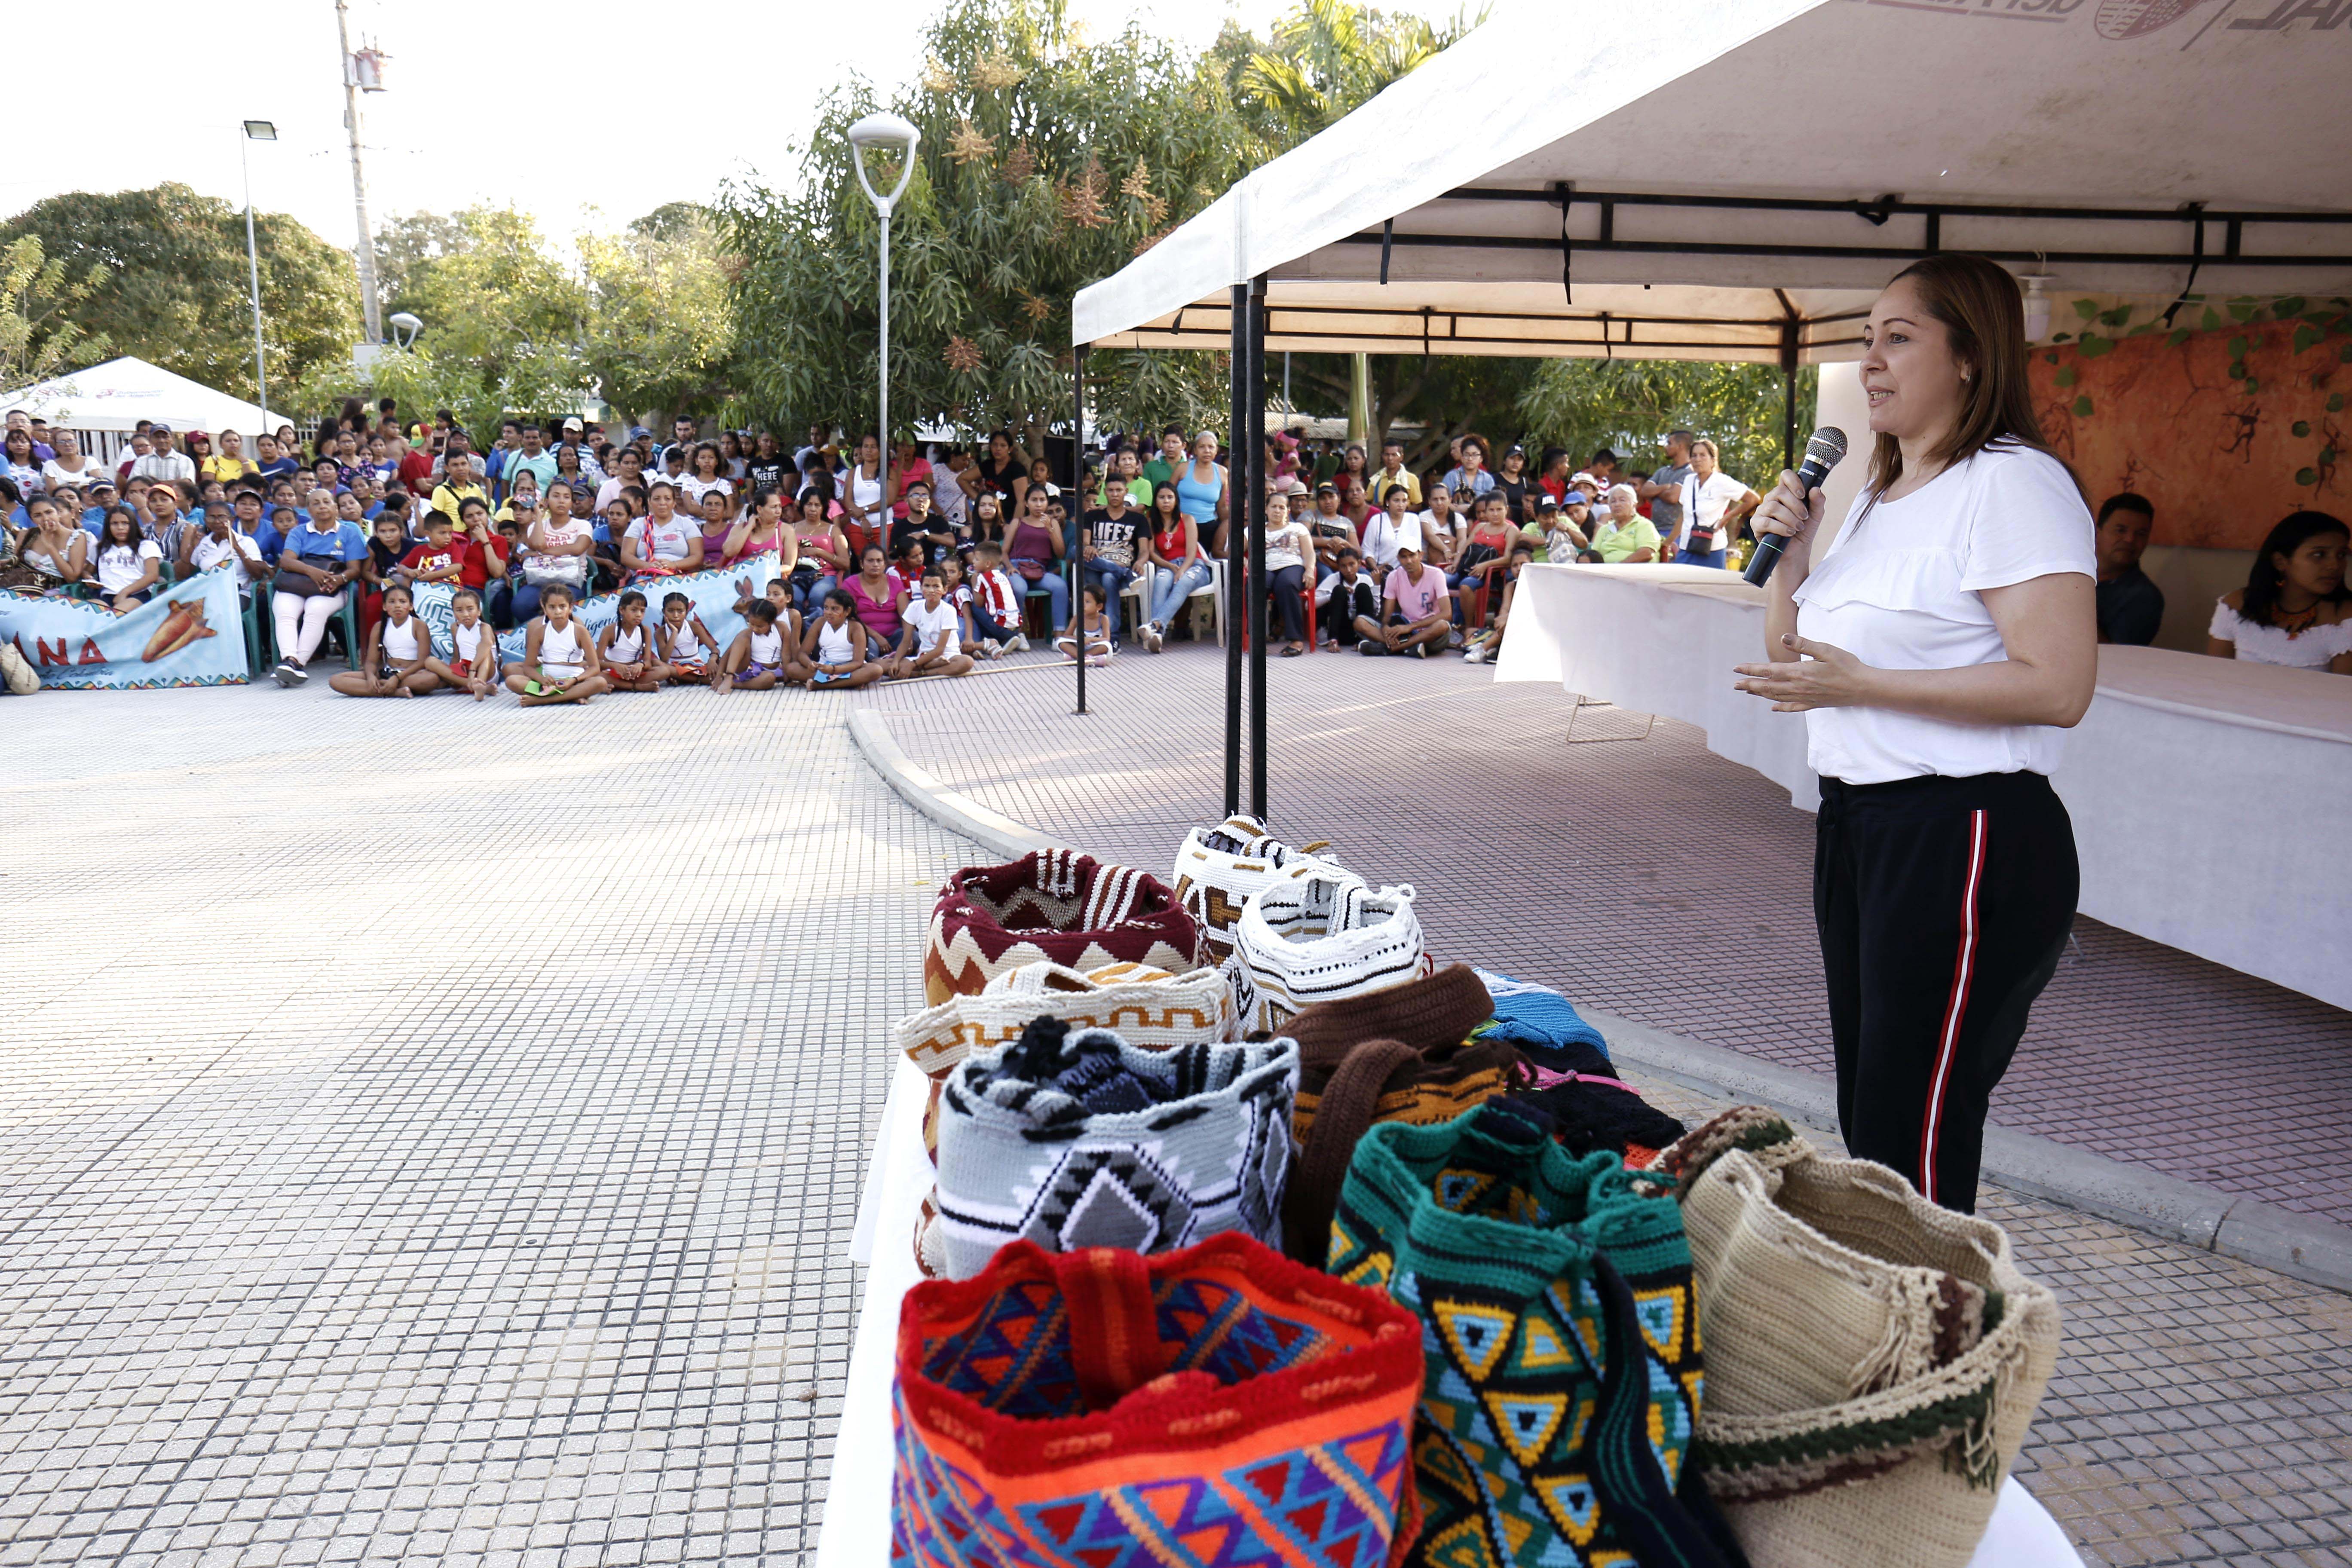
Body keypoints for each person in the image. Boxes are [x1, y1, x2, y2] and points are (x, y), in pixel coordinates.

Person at [1735, 252, 2098, 1216]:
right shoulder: (1876, 497)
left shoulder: (2011, 486)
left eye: (1900, 339)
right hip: (1860, 829)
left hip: (1964, 834)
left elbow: (2059, 686)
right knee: (1874, 1115)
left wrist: (1872, 685)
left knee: (1916, 1129)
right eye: (1866, 341)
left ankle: (1942, 1343)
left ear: (1973, 358)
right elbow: (1800, 659)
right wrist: (1796, 560)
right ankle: (1896, 1329)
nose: (1872, 364)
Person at [2204, 510, 2352, 671]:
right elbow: (2216, 677)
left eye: (2342, 555)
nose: (2335, 565)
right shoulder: (2236, 606)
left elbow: (2343, 692)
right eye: (2319, 554)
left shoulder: (2345, 619)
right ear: (2281, 562)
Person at [272, 492, 368, 686]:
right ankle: (290, 660)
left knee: (315, 610)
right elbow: (286, 560)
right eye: (316, 504)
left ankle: (295, 664)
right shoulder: (299, 532)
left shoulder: (349, 532)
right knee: (284, 610)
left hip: (332, 587)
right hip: (300, 583)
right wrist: (312, 572)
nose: (322, 506)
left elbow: (355, 570)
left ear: (335, 508)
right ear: (309, 511)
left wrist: (340, 579)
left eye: (327, 502)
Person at [504, 582, 609, 705]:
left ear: (570, 608)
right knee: (512, 681)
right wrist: (542, 680)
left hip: (574, 680)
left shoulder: (580, 631)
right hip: (549, 681)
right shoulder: (540, 632)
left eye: (562, 607)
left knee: (600, 682)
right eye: (552, 607)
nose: (558, 612)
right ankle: (573, 696)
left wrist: (574, 680)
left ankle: (541, 700)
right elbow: (528, 667)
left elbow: (595, 667)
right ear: (545, 608)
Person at [1138, 481, 1210, 652]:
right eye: (1162, 497)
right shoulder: (1151, 522)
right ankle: (1158, 636)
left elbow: (1192, 552)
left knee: (1183, 582)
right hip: (1169, 565)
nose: (1166, 501)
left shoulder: (1188, 519)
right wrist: (1171, 567)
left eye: (1170, 497)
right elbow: (1152, 554)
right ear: (1156, 501)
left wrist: (1182, 570)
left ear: (1176, 500)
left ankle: (1155, 625)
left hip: (1194, 566)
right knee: (1161, 580)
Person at [330, 583, 437, 698]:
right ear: (384, 607)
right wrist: (371, 677)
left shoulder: (419, 626)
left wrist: (397, 678)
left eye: (403, 602)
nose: (397, 606)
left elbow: (422, 661)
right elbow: (371, 661)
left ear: (411, 606)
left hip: (410, 674)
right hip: (387, 673)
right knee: (336, 680)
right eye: (392, 602)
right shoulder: (379, 627)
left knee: (431, 679)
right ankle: (395, 692)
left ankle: (382, 688)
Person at [2092, 493, 2165, 646]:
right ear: (2098, 533)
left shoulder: (2144, 597)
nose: (2130, 540)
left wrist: (2078, 609)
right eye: (2121, 530)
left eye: (2141, 534)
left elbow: (2120, 660)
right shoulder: (2070, 571)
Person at [1674, 439, 1760, 567]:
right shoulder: (1689, 480)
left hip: (1712, 546)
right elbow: (1684, 514)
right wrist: (1670, 541)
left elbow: (1753, 499)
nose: (1698, 459)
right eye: (1694, 455)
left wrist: (1728, 517)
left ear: (1713, 460)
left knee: (1710, 585)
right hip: (1687, 544)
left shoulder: (1721, 481)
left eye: (1703, 455)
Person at [1080, 480, 1146, 643]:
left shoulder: (1138, 519)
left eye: (1119, 490)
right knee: (1077, 551)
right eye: (1110, 490)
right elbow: (1085, 541)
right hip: (1097, 564)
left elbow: (1145, 550)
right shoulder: (1092, 516)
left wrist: (1141, 561)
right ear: (1105, 492)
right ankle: (1128, 575)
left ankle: (1112, 637)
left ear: (1126, 492)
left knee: (1109, 578)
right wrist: (1088, 547)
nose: (1115, 494)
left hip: (1119, 565)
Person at [1366, 543, 1452, 657]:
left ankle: (1394, 648)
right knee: (1360, 623)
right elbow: (1387, 616)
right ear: (1398, 559)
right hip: (1404, 630)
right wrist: (1386, 628)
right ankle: (1410, 647)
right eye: (1404, 557)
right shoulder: (1394, 576)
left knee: (1442, 626)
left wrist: (1410, 627)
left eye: (1412, 556)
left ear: (1421, 556)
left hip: (1429, 632)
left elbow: (1447, 614)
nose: (1409, 561)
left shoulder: (1437, 574)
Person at [1004, 483, 1069, 631]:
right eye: (1034, 500)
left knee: (1060, 586)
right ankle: (1017, 633)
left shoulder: (1052, 523)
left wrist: (1050, 530)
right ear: (1027, 503)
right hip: (1018, 568)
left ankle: (1059, 634)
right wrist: (1009, 567)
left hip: (1039, 571)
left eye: (1042, 500)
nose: (1039, 505)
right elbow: (1004, 552)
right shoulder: (1017, 522)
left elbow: (1060, 553)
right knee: (1019, 589)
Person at [796, 587, 890, 689]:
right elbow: (803, 653)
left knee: (876, 670)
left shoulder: (856, 627)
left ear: (847, 611)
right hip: (824, 668)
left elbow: (858, 662)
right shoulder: (819, 623)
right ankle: (850, 683)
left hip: (850, 669)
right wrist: (809, 664)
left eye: (835, 609)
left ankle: (821, 686)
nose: (828, 612)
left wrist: (834, 670)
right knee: (791, 668)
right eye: (826, 608)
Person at [420, 586, 499, 699]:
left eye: (470, 609)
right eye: (459, 610)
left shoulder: (484, 627)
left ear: (479, 611)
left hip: (486, 671)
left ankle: (481, 684)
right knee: (430, 661)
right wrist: (452, 674)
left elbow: (486, 645)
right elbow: (457, 655)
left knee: (484, 650)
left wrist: (473, 669)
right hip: (466, 671)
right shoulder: (455, 628)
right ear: (454, 613)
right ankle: (473, 685)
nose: (466, 614)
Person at [897, 567, 976, 680]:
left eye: (936, 587)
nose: (931, 591)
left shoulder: (948, 610)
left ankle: (922, 673)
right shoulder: (914, 607)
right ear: (921, 588)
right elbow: (905, 642)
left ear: (945, 590)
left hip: (948, 655)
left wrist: (914, 664)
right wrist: (896, 662)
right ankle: (930, 665)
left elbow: (940, 649)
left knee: (967, 662)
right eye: (927, 586)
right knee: (891, 665)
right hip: (925, 655)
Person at [1262, 489, 1313, 657]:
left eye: (1282, 507)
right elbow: (1235, 550)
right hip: (1266, 567)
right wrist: (1246, 563)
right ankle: (1256, 637)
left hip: (1292, 566)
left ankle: (1296, 641)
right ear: (1266, 509)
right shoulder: (1255, 530)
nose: (1278, 511)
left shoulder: (1298, 528)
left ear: (1288, 511)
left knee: (1286, 584)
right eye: (1274, 507)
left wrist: (1310, 570)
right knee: (1257, 585)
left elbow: (1309, 553)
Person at [621, 482, 704, 580]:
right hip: (645, 576)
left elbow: (698, 557)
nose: (662, 503)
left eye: (668, 499)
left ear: (674, 503)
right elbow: (626, 556)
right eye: (657, 499)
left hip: (678, 576)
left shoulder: (686, 523)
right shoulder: (639, 524)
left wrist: (674, 565)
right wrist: (648, 566)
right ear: (649, 502)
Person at [713, 597, 791, 694]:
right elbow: (728, 655)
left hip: (771, 672)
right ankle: (729, 678)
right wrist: (719, 676)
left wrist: (788, 677)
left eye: (760, 626)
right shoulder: (747, 634)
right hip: (748, 669)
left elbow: (786, 654)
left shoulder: (782, 628)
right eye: (751, 624)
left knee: (769, 679)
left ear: (772, 622)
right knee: (742, 637)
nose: (755, 629)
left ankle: (735, 684)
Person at [965, 541, 1030, 657]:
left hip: (1001, 628)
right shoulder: (1002, 576)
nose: (973, 562)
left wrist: (974, 583)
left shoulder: (983, 578)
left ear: (987, 564)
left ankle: (982, 642)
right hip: (1015, 628)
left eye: (977, 560)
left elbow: (979, 603)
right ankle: (1004, 640)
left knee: (972, 606)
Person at [91, 510, 163, 610]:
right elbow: (88, 571)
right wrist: (88, 578)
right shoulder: (100, 548)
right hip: (107, 595)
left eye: (125, 523)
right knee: (88, 611)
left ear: (133, 525)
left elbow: (152, 575)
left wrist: (125, 592)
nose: (120, 528)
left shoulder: (146, 545)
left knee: (118, 613)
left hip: (138, 594)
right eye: (114, 524)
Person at [1176, 430, 1230, 560]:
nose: (1207, 451)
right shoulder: (1183, 468)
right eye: (1202, 447)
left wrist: (1232, 524)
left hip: (1208, 528)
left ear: (1217, 450)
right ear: (1195, 450)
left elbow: (1222, 507)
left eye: (1211, 447)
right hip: (1180, 526)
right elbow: (1168, 495)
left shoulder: (1222, 472)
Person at [1641, 429, 1697, 548]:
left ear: (1680, 446)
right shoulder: (1663, 471)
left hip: (1675, 533)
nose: (1666, 447)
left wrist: (1655, 492)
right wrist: (1665, 487)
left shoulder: (1690, 473)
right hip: (1654, 530)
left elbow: (1673, 497)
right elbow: (1645, 491)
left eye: (1669, 443)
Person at [1320, 548, 1381, 650]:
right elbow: (1309, 605)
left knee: (1363, 588)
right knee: (1339, 590)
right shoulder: (1333, 579)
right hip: (1341, 630)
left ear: (1359, 563)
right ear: (1338, 567)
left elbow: (1376, 610)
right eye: (1343, 566)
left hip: (1360, 630)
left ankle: (1365, 640)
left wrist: (1377, 586)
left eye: (1352, 564)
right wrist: (1331, 596)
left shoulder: (1366, 579)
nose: (1348, 570)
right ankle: (1333, 641)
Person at [655, 591, 720, 683]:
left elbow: (715, 650)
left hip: (696, 665)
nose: (676, 615)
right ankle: (699, 680)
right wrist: (674, 633)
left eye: (680, 611)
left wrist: (712, 660)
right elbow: (664, 659)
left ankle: (685, 679)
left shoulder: (694, 626)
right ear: (664, 612)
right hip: (674, 668)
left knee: (722, 662)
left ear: (687, 612)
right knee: (656, 663)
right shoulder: (660, 633)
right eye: (671, 611)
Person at [1588, 485, 1660, 563]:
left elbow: (1647, 553)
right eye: (1613, 501)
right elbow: (1594, 556)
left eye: (1622, 500)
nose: (1617, 505)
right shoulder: (1604, 529)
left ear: (1634, 505)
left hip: (1635, 572)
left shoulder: (1644, 525)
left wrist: (1619, 566)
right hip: (1605, 572)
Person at [1057, 582, 1115, 666]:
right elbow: (1067, 636)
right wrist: (1080, 639)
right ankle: (1087, 659)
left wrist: (1091, 640)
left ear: (1099, 606)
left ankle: (1077, 658)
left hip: (1095, 646)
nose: (1083, 605)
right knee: (1061, 642)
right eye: (1081, 601)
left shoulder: (1103, 619)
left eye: (1088, 602)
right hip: (1081, 646)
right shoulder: (1077, 618)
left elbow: (1106, 639)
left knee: (1107, 646)